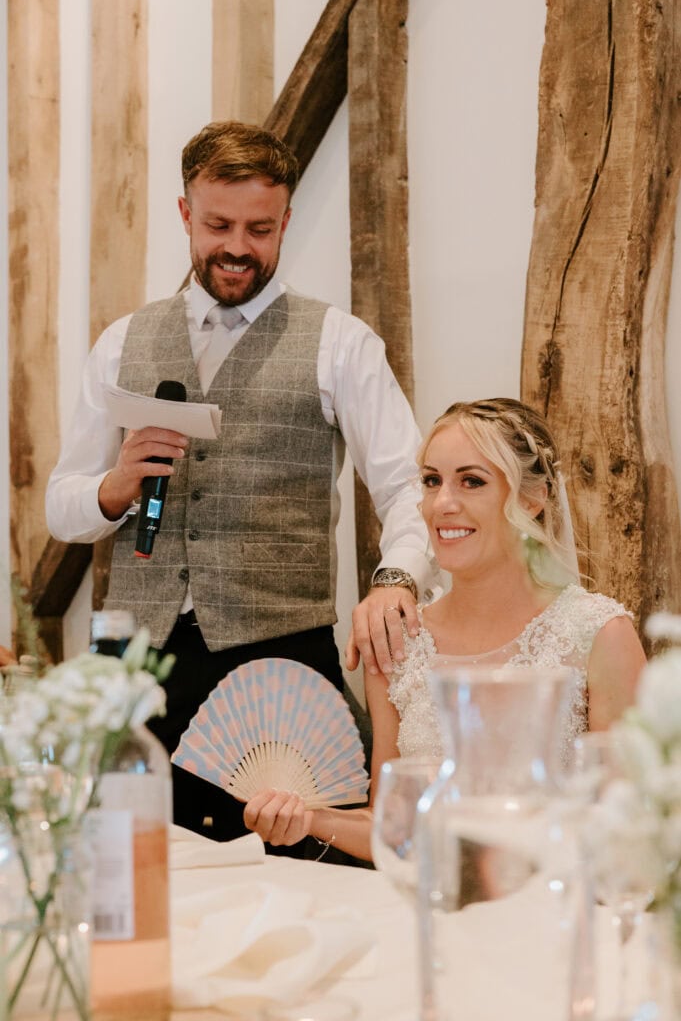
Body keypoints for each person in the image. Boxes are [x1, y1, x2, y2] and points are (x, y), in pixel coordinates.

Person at [45, 120, 439, 846]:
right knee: (129, 869)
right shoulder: (123, 342)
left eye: (259, 229)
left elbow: (407, 485)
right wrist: (115, 487)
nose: (237, 247)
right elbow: (62, 505)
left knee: (285, 867)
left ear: (284, 221)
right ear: (185, 213)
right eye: (218, 225)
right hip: (134, 666)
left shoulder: (340, 343)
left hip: (278, 660)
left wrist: (395, 579)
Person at [243, 397, 647, 861]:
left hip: (550, 897)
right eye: (432, 481)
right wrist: (309, 818)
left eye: (472, 481)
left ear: (533, 498)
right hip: (427, 897)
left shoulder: (599, 635)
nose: (442, 504)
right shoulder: (399, 643)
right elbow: (394, 825)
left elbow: (627, 831)